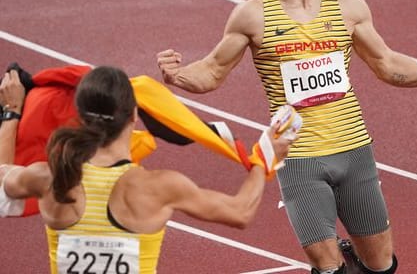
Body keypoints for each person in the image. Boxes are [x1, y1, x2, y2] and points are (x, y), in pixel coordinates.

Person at [156, 0, 417, 273]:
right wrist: (178, 76)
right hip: (298, 156)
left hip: (352, 150)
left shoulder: (349, 6)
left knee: (381, 264)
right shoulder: (251, 15)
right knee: (326, 265)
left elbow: (385, 63)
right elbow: (212, 71)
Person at [0, 66, 294, 273]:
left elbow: (2, 176)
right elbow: (240, 212)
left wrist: (11, 112)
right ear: (135, 114)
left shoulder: (50, 177)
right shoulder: (157, 187)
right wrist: (266, 156)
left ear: (79, 116)